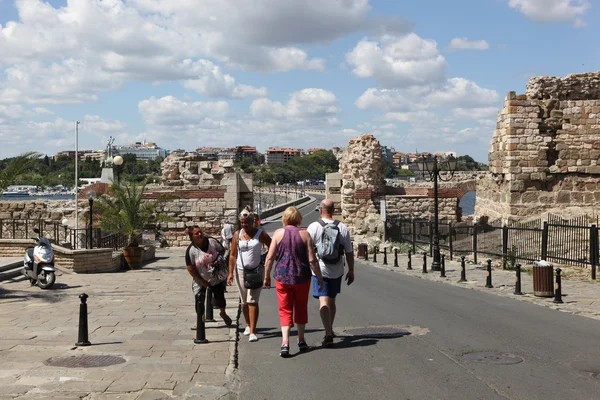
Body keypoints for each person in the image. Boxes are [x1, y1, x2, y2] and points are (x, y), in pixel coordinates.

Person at [264, 206, 324, 358]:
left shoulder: (278, 234)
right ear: (299, 219)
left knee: (285, 309)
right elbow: (312, 260)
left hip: (282, 277)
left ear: (284, 218)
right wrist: (319, 277)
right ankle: (301, 339)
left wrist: (266, 276)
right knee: (301, 306)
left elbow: (269, 258)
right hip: (302, 277)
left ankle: (285, 342)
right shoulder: (305, 234)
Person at [307, 199, 355, 347]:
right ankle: (330, 329)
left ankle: (328, 332)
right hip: (337, 270)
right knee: (332, 301)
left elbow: (307, 251)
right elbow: (349, 252)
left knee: (323, 301)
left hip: (319, 270)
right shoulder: (342, 227)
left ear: (321, 210)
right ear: (333, 210)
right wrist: (351, 270)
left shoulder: (313, 227)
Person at [227, 211, 272, 342]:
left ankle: (253, 330)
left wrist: (265, 257)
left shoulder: (260, 234)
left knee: (252, 300)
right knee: (244, 302)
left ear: (253, 222)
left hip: (256, 271)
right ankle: (247, 324)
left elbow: (272, 245)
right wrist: (230, 273)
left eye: (246, 223)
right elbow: (232, 254)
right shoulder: (237, 234)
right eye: (242, 223)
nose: (244, 225)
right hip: (240, 271)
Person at [185, 226, 232, 330]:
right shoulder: (191, 250)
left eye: (200, 232)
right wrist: (202, 281)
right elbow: (190, 268)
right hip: (200, 277)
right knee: (199, 299)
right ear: (192, 237)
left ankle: (223, 313)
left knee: (219, 297)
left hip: (216, 276)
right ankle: (200, 321)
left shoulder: (212, 242)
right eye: (196, 234)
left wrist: (219, 260)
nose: (200, 234)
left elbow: (222, 251)